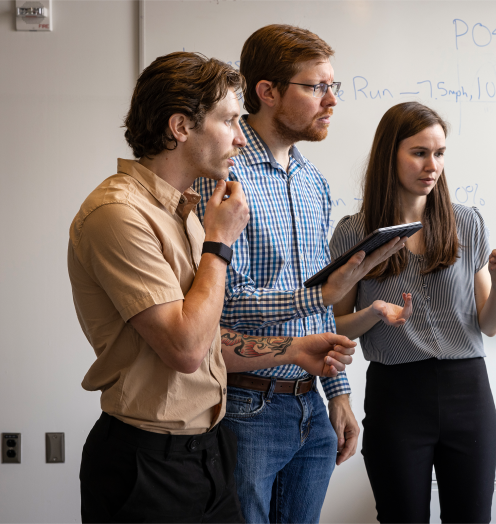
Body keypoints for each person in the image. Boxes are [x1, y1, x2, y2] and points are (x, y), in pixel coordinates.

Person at [69, 52, 356, 524]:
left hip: (209, 446)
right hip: (148, 459)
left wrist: (293, 351)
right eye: (228, 121)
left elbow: (208, 343)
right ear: (181, 126)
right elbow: (184, 348)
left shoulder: (184, 212)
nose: (241, 138)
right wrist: (220, 242)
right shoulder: (118, 214)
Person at [193, 25, 405, 524]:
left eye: (333, 87)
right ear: (266, 92)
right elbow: (222, 303)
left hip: (310, 406)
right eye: (316, 87)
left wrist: (339, 395)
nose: (331, 101)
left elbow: (323, 308)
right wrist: (321, 294)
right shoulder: (222, 178)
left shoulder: (314, 183)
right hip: (247, 405)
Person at [330, 102, 496, 524]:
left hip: (468, 392)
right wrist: (374, 314)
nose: (432, 165)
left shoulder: (466, 223)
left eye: (439, 153)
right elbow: (337, 326)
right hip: (396, 397)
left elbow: (488, 326)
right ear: (390, 155)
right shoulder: (354, 232)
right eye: (419, 152)